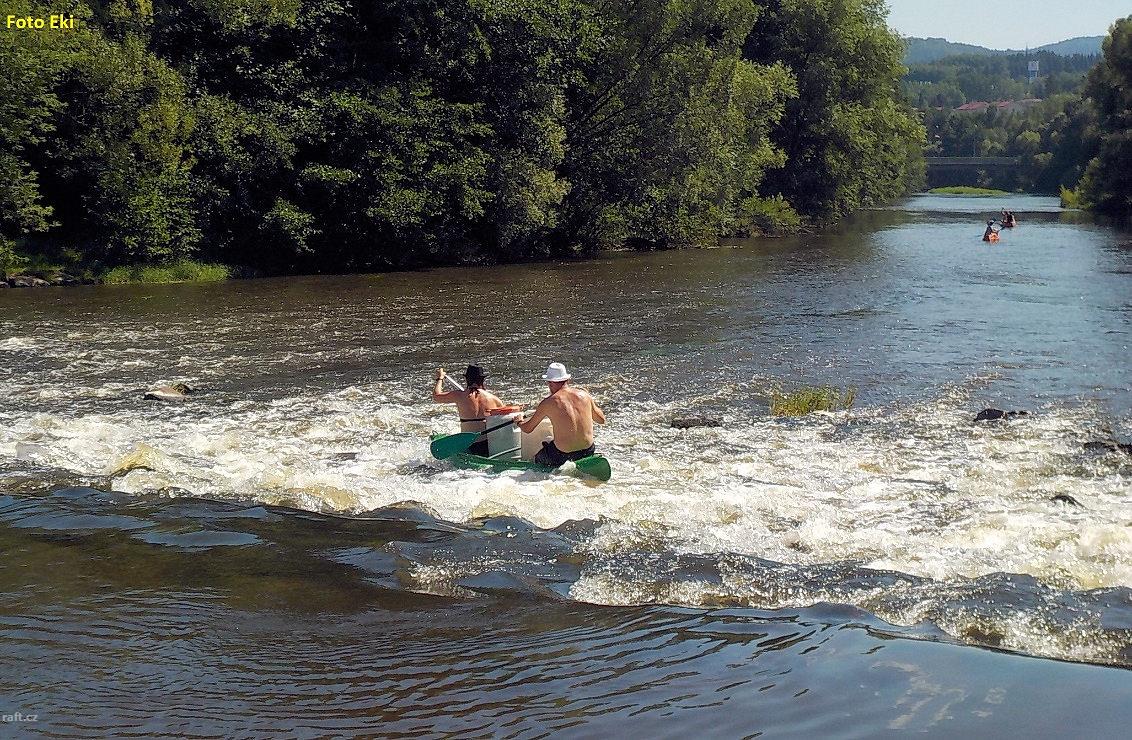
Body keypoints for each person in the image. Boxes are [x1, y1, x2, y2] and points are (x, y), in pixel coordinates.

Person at [516, 362, 606, 467]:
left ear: (550, 383)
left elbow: (528, 429)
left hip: (562, 455)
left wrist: (519, 421)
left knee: (537, 458)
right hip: (587, 451)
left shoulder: (548, 403)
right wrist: (590, 402)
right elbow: (601, 420)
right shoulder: (584, 395)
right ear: (567, 380)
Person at [433, 365, 505, 455]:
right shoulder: (494, 399)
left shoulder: (459, 396)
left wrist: (439, 378)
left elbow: (436, 396)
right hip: (490, 445)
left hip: (469, 445)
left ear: (467, 379)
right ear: (482, 380)